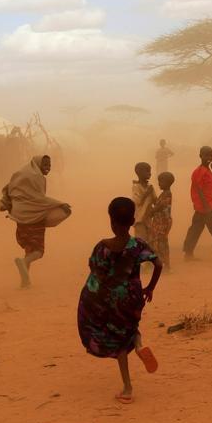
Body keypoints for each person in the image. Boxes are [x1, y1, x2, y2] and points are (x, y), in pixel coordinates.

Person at [77, 197, 162, 404]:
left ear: (111, 222)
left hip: (111, 299)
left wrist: (91, 301)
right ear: (133, 221)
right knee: (130, 326)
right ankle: (139, 344)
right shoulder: (138, 245)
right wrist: (149, 288)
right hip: (132, 296)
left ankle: (127, 388)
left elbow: (96, 273)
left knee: (119, 343)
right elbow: (158, 264)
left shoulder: (102, 247)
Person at [0, 155, 71, 288]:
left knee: (29, 248)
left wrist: (4, 204)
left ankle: (25, 282)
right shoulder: (37, 178)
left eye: (49, 165)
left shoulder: (20, 174)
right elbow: (39, 200)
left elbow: (8, 189)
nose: (48, 168)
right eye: (45, 165)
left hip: (20, 217)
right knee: (38, 250)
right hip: (35, 218)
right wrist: (61, 204)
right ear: (38, 164)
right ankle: (24, 261)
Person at [147, 172, 174, 271]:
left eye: (161, 181)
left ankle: (166, 266)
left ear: (168, 182)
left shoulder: (167, 194)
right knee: (159, 242)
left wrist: (151, 211)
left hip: (163, 222)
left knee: (161, 243)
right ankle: (163, 264)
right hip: (160, 221)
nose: (159, 184)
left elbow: (161, 206)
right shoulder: (163, 194)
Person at [131, 162, 157, 240]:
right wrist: (147, 193)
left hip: (148, 218)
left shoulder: (150, 187)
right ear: (139, 172)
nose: (150, 173)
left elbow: (155, 200)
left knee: (150, 241)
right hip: (139, 219)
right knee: (140, 241)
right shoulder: (136, 186)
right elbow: (137, 201)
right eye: (147, 171)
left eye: (150, 171)